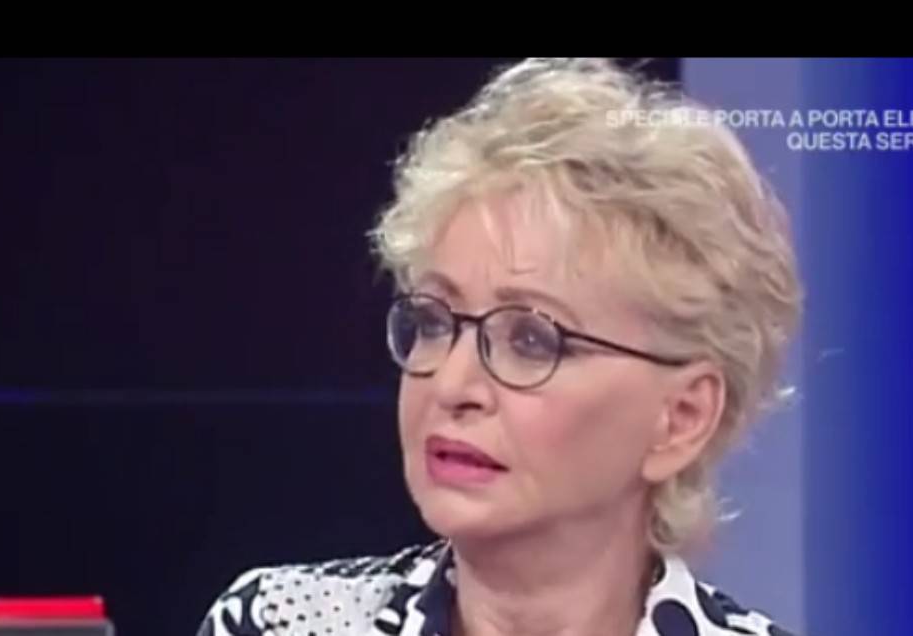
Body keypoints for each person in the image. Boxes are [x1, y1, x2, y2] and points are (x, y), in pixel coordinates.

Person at [196, 57, 803, 636]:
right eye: (433, 322)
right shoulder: (279, 623)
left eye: (532, 340)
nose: (451, 385)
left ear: (681, 418)